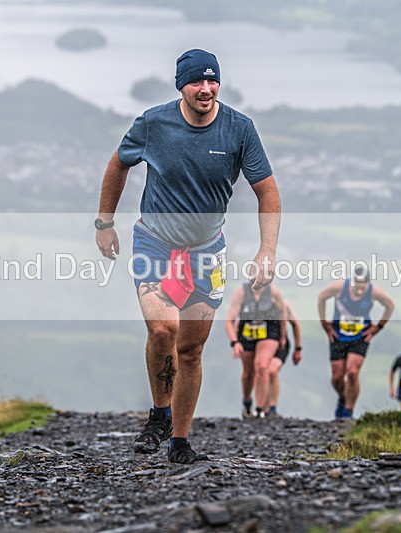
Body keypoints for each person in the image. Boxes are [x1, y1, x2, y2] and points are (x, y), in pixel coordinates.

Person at [95, 49, 281, 464]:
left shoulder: (239, 129)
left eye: (212, 81)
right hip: (155, 242)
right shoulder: (153, 123)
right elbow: (118, 164)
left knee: (192, 350)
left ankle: (179, 441)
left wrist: (267, 249)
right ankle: (159, 414)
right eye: (197, 81)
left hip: (207, 250)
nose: (206, 89)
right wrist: (104, 222)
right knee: (164, 329)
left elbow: (266, 190)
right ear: (181, 84)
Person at [317, 264, 395, 419]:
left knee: (352, 372)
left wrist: (378, 327)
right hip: (338, 335)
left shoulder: (374, 292)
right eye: (357, 286)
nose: (359, 290)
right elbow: (321, 297)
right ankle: (343, 396)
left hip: (360, 336)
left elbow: (390, 305)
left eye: (363, 286)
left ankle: (348, 410)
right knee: (337, 378)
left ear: (368, 284)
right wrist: (324, 322)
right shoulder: (339, 287)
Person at [225, 282, 302, 418]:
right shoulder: (244, 298)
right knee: (251, 372)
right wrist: (235, 342)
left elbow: (294, 325)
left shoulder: (280, 303)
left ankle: (267, 409)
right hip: (251, 339)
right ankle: (251, 404)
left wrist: (297, 348)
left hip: (277, 340)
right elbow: (236, 324)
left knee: (266, 369)